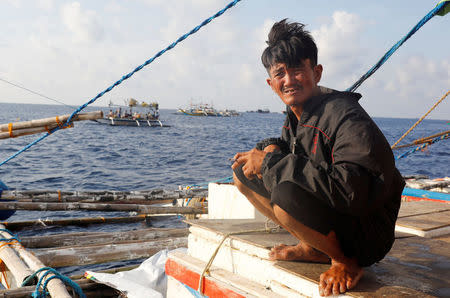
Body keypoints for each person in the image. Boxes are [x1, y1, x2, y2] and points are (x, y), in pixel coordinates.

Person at [231, 19, 404, 297]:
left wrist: (270, 163)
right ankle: (313, 247)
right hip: (340, 217)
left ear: (317, 72)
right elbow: (291, 151)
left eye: (298, 69)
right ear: (270, 83)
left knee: (285, 194)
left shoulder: (344, 115)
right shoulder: (298, 115)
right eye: (280, 73)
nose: (289, 80)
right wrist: (271, 148)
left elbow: (353, 190)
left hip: (368, 231)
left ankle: (346, 262)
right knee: (242, 174)